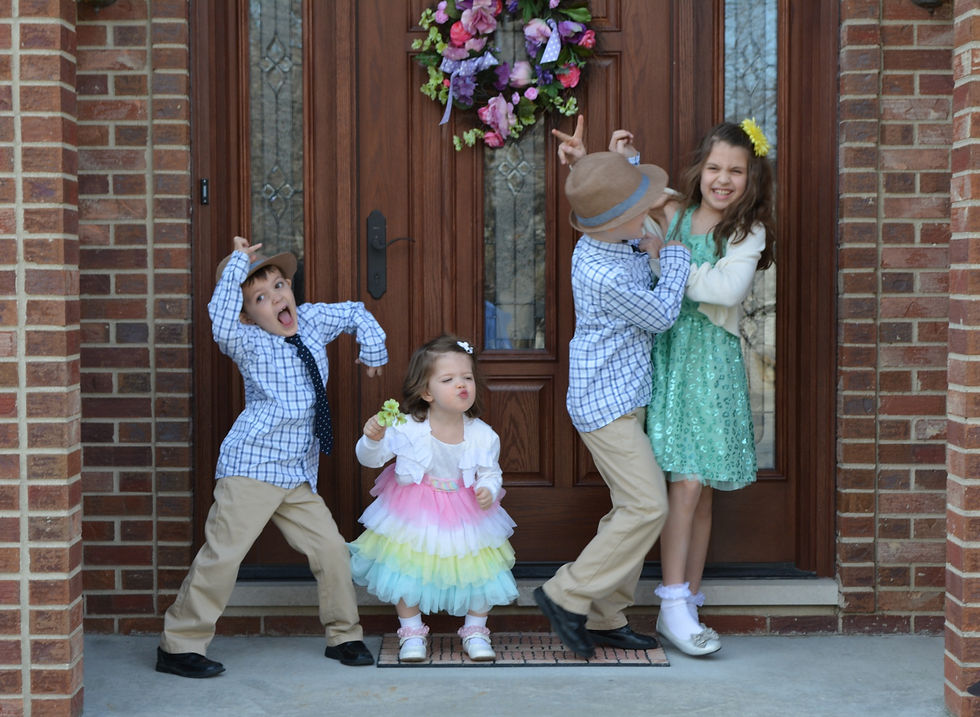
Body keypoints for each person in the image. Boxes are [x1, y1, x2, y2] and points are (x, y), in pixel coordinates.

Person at [156, 235, 388, 678]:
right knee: (223, 555)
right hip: (252, 467)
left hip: (296, 472)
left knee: (332, 550)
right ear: (248, 314)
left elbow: (355, 312)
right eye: (260, 297)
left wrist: (372, 347)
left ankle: (344, 635)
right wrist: (234, 269)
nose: (277, 298)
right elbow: (219, 322)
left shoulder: (313, 322)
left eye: (279, 285)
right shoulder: (247, 341)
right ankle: (179, 643)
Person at [532, 116, 692, 659]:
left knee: (630, 505)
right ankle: (565, 593)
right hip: (606, 404)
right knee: (648, 507)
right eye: (639, 210)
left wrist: (619, 159)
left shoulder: (608, 239)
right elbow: (663, 313)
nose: (648, 214)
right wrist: (671, 254)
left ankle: (604, 615)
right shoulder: (605, 274)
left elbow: (611, 197)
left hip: (626, 393)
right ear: (620, 222)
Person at [642, 120, 776, 656]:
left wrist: (666, 262)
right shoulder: (674, 212)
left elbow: (727, 287)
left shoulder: (746, 232)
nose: (724, 180)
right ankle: (673, 601)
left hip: (711, 363)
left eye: (736, 172)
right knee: (685, 482)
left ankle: (686, 599)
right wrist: (612, 157)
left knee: (701, 488)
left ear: (751, 178)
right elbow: (617, 197)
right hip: (667, 356)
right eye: (715, 168)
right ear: (700, 169)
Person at [349, 334, 518, 663]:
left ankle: (475, 630)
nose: (461, 385)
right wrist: (372, 439)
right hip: (414, 507)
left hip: (465, 508)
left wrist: (489, 488)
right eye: (448, 379)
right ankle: (411, 631)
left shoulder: (483, 433)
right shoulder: (406, 427)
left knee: (481, 568)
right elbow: (370, 459)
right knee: (406, 566)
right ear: (427, 391)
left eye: (467, 377)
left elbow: (490, 471)